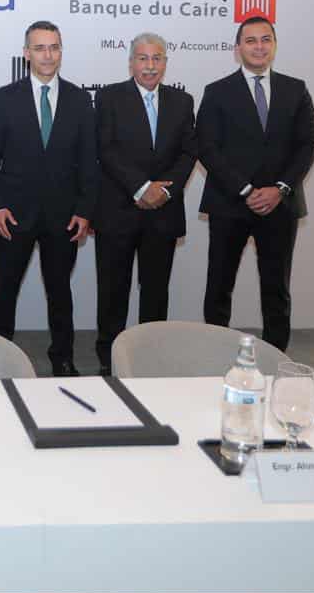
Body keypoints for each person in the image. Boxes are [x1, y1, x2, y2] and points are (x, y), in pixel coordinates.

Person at [0, 21, 98, 377]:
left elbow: (89, 160)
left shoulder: (80, 99)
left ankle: (62, 358)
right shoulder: (4, 98)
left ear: (61, 51)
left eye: (54, 47)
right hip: (12, 215)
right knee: (5, 289)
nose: (48, 55)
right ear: (26, 53)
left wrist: (84, 210)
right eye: (40, 48)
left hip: (63, 217)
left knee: (60, 292)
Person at [198, 16, 314, 352]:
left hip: (281, 205)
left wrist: (280, 188)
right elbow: (207, 147)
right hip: (230, 204)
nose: (259, 46)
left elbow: (308, 144)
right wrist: (246, 190)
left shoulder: (296, 89)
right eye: (251, 40)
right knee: (219, 286)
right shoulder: (217, 91)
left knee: (276, 288)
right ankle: (212, 356)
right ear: (237, 48)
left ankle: (276, 357)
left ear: (274, 45)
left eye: (266, 39)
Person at [93, 32, 197, 375]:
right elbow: (106, 149)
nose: (150, 66)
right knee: (113, 290)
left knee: (155, 291)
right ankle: (109, 358)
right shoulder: (108, 97)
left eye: (156, 58)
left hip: (163, 213)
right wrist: (140, 188)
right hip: (118, 211)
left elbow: (188, 153)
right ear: (131, 63)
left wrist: (164, 191)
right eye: (143, 58)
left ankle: (150, 358)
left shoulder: (183, 101)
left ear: (165, 62)